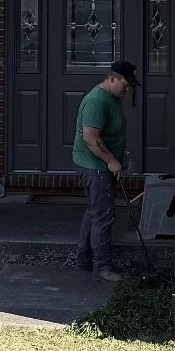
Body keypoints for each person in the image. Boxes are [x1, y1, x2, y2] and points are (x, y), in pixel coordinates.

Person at [73, 60, 137, 280]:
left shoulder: (111, 98)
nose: (128, 90)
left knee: (94, 211)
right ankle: (102, 267)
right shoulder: (96, 101)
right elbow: (90, 138)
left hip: (99, 164)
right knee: (103, 215)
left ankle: (84, 260)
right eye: (126, 85)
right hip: (95, 166)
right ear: (112, 78)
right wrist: (111, 160)